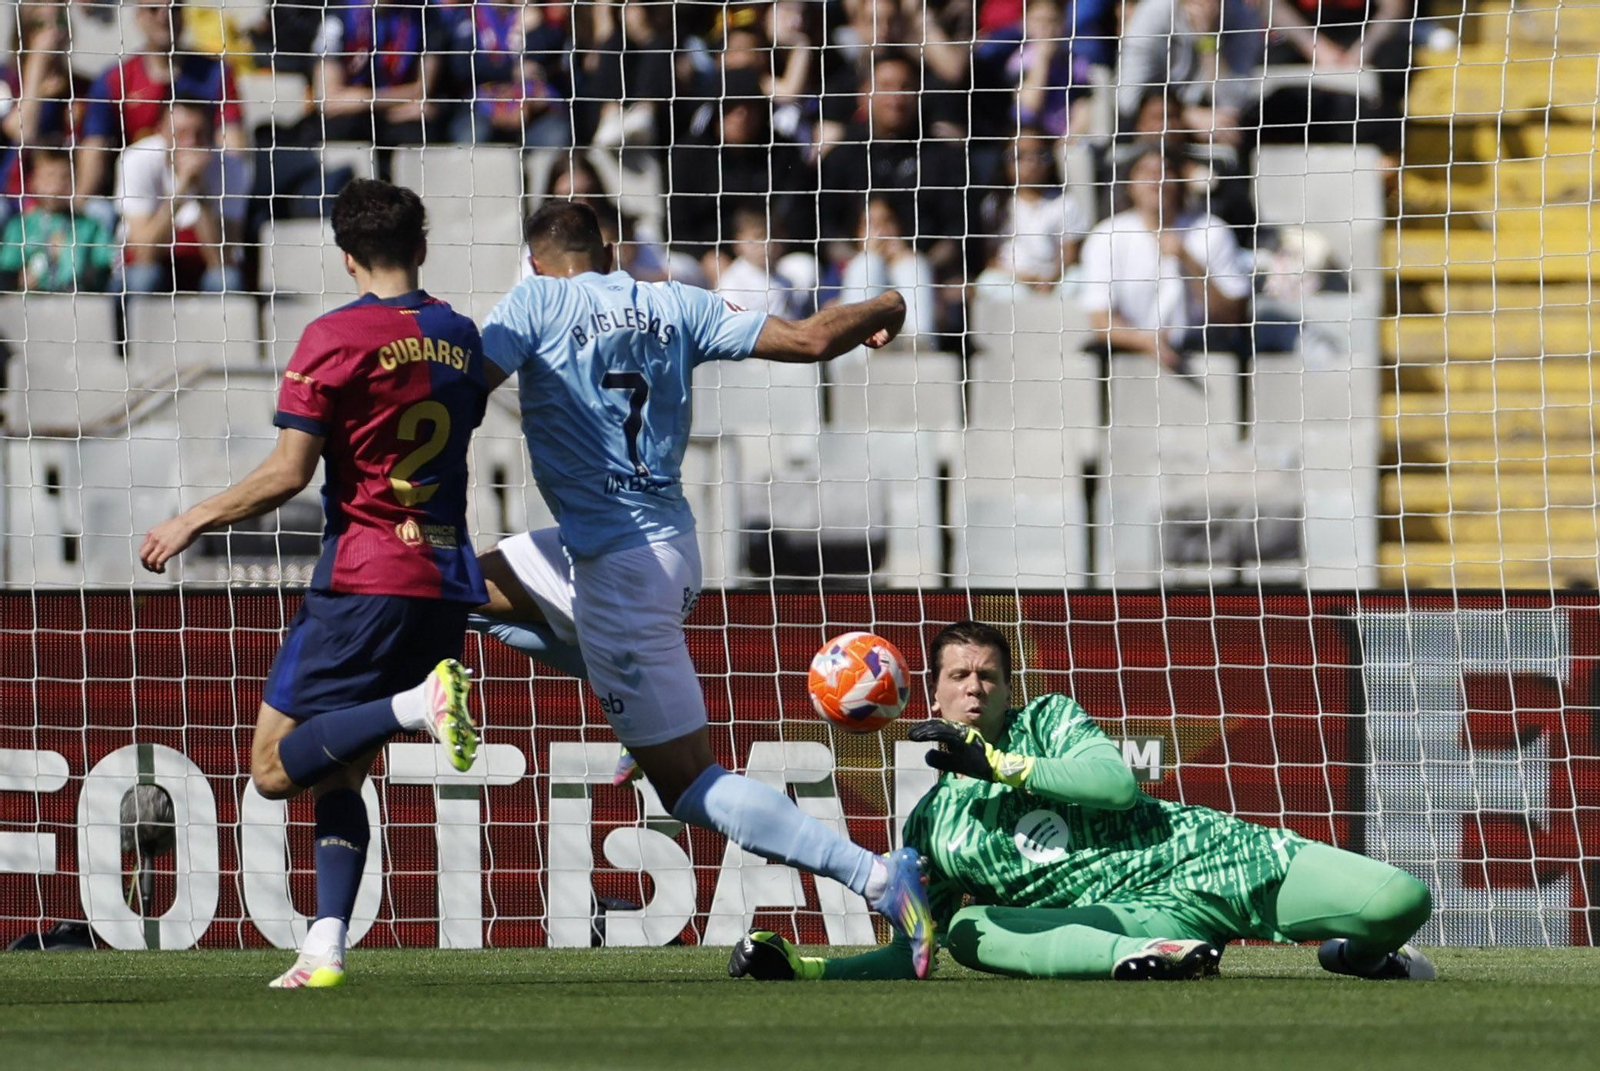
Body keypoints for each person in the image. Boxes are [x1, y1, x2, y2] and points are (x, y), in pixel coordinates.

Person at [474, 200, 938, 977]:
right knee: (456, 583)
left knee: (690, 786)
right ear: (610, 249)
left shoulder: (533, 300)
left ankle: (882, 878)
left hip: (621, 572)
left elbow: (462, 386)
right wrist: (886, 304)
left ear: (535, 258)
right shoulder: (675, 301)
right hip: (661, 544)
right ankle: (619, 691)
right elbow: (812, 338)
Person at [138, 179, 491, 988]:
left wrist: (195, 517)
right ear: (423, 248)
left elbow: (289, 472)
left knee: (270, 769)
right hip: (443, 578)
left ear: (345, 257)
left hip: (364, 575)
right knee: (339, 771)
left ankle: (416, 707)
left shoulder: (334, 336)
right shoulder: (462, 338)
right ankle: (324, 944)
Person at [729, 620, 1437, 983]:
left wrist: (1000, 764)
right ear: (931, 694)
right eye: (959, 677)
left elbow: (1116, 784)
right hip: (1129, 918)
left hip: (1211, 854)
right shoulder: (930, 824)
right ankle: (1147, 955)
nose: (975, 688)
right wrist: (804, 965)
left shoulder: (1050, 720)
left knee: (1402, 901)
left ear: (1010, 688)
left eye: (989, 676)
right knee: (970, 929)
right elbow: (917, 950)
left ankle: (1359, 957)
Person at [1077, 141, 1251, 371]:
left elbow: (1233, 316)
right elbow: (1100, 320)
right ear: (1130, 184)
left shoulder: (1213, 231)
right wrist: (1145, 341)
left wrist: (1188, 261)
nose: (1156, 179)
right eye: (1146, 171)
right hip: (1130, 352)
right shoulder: (1106, 235)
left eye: (1164, 170)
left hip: (1204, 351)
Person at [78, 0, 244, 201]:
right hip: (137, 194)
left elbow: (233, 152)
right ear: (138, 17)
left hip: (201, 186)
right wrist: (80, 202)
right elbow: (94, 149)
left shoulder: (216, 74)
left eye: (174, 8)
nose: (164, 17)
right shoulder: (115, 79)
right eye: (154, 9)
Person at [114, 99, 247, 291]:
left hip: (202, 262)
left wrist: (202, 194)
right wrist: (180, 192)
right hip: (152, 264)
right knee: (144, 278)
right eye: (182, 134)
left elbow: (222, 259)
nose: (191, 142)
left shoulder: (231, 168)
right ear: (162, 131)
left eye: (199, 134)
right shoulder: (136, 160)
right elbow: (144, 254)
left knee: (227, 280)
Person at [0, 147, 115, 291]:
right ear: (34, 180)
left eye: (64, 177)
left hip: (81, 305)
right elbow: (7, 267)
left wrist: (70, 254)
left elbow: (104, 267)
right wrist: (20, 280)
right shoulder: (20, 226)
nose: (57, 184)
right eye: (49, 176)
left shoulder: (90, 227)